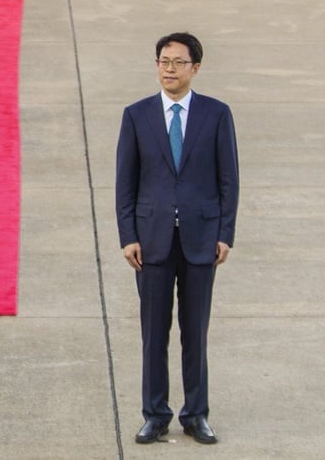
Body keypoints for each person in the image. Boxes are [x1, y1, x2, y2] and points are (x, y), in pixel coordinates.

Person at [115, 32, 239, 445]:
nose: (169, 69)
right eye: (163, 61)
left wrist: (225, 233)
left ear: (196, 68)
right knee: (154, 332)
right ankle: (155, 413)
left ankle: (196, 414)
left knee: (195, 331)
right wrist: (128, 235)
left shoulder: (217, 114)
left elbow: (228, 180)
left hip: (202, 240)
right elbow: (125, 183)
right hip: (150, 243)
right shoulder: (137, 115)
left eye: (178, 62)